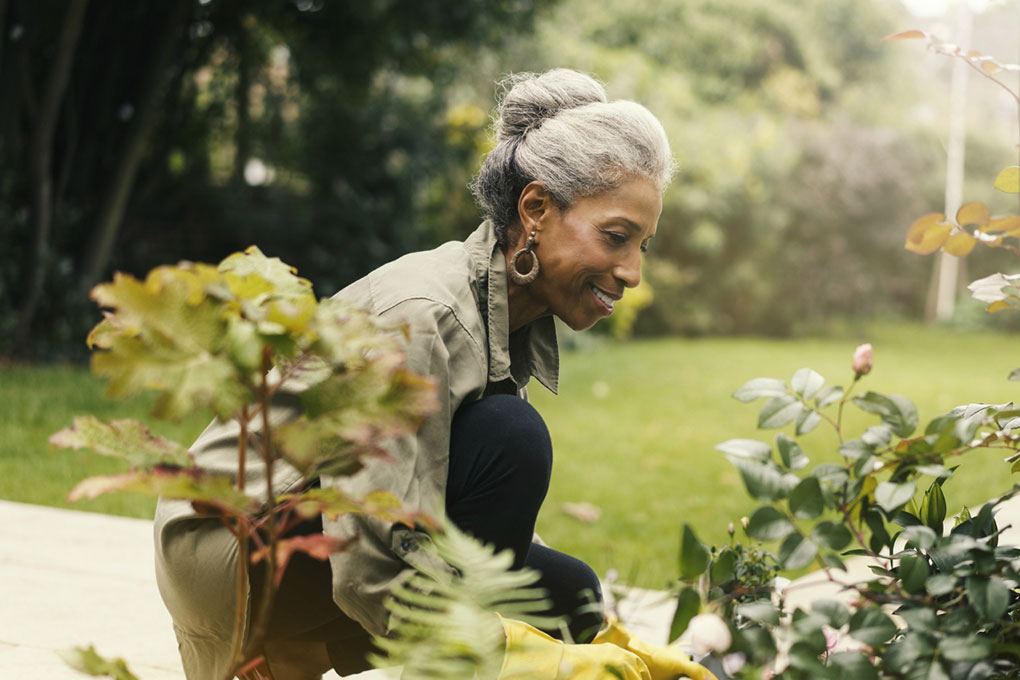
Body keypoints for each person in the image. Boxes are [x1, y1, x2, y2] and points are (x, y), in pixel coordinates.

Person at [154, 68, 715, 679]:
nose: (632, 272)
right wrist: (528, 660)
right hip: (229, 547)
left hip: (310, 530)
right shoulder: (425, 316)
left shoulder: (502, 309)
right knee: (511, 439)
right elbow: (371, 560)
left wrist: (613, 645)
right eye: (616, 237)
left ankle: (316, 649)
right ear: (535, 208)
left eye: (643, 245)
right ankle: (288, 656)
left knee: (569, 591)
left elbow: (438, 497)